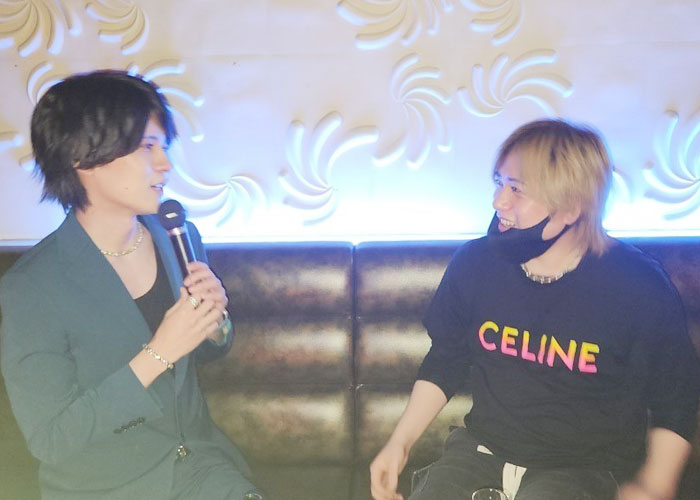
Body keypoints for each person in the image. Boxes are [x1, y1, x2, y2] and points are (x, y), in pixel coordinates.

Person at [369, 119, 700, 500]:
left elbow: (675, 396)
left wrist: (655, 484)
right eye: (499, 183)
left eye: (517, 189)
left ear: (571, 207)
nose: (498, 201)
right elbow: (447, 358)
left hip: (583, 470)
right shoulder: (475, 263)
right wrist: (399, 443)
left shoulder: (638, 287)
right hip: (481, 452)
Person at [0, 70, 263, 500]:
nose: (165, 164)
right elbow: (51, 438)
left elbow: (204, 352)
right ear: (83, 157)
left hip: (202, 470)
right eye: (147, 146)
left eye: (163, 146)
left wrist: (216, 325)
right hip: (105, 487)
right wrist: (158, 353)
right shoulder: (31, 287)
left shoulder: (178, 237)